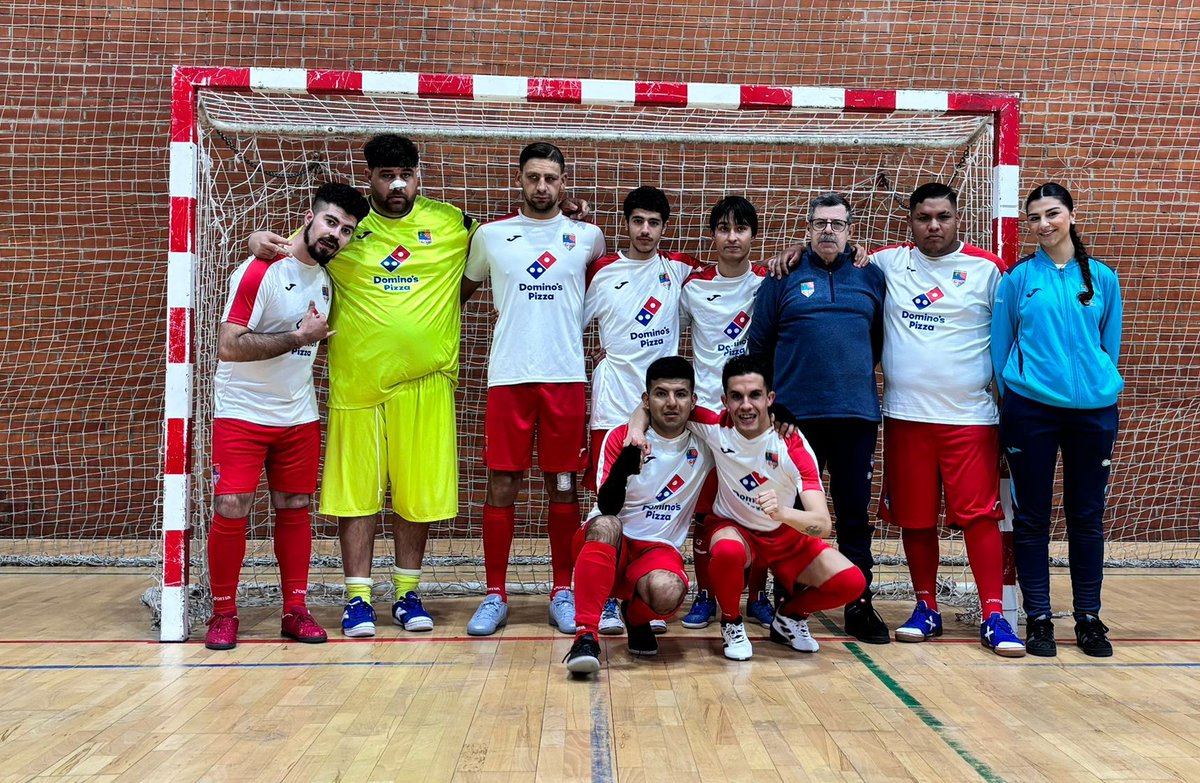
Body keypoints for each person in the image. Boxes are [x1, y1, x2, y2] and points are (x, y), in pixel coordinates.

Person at [249, 134, 479, 638]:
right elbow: (291, 253)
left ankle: (407, 593)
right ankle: (357, 598)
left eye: (407, 174)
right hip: (358, 387)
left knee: (415, 496)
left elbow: (494, 255)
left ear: (420, 175)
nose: (397, 184)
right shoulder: (344, 229)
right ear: (369, 176)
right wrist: (255, 243)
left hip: (426, 384)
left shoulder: (453, 223)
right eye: (385, 174)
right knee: (357, 496)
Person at [206, 182, 370, 650]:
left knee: (295, 506)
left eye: (346, 230)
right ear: (308, 216)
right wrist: (298, 338)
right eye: (330, 222)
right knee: (231, 506)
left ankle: (295, 610)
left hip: (298, 415)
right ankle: (223, 613)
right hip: (241, 412)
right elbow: (229, 346)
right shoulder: (260, 270)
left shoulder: (329, 277)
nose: (336, 235)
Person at [871, 182, 1025, 657]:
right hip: (905, 417)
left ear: (958, 218)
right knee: (915, 519)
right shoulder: (886, 263)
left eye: (942, 216)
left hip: (972, 419)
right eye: (923, 218)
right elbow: (836, 251)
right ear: (911, 222)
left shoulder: (988, 270)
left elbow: (1015, 336)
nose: (933, 226)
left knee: (981, 516)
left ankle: (994, 616)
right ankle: (926, 607)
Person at [629, 354, 867, 660]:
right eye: (737, 397)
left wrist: (783, 512)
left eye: (755, 395)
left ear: (770, 398)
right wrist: (636, 431)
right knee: (727, 550)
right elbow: (657, 406)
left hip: (782, 533)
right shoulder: (714, 425)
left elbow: (822, 524)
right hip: (734, 528)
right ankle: (731, 622)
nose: (746, 405)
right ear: (724, 400)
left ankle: (790, 616)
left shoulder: (792, 445)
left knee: (851, 583)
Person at [461, 142, 607, 636]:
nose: (541, 186)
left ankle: (562, 590)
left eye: (550, 178)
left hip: (566, 379)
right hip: (508, 378)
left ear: (564, 182)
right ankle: (495, 593)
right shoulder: (490, 236)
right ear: (519, 180)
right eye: (533, 177)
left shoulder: (588, 237)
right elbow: (457, 294)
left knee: (562, 486)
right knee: (502, 485)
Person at [747, 192, 889, 644]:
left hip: (855, 415)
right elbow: (759, 348)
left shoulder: (871, 277)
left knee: (852, 514)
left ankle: (859, 605)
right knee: (790, 513)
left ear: (850, 231)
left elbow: (879, 342)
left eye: (838, 224)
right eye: (820, 223)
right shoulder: (782, 276)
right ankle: (789, 604)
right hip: (794, 421)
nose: (829, 230)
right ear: (808, 228)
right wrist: (775, 405)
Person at [992, 183, 1123, 657]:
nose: (1044, 224)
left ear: (1070, 215)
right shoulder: (1018, 278)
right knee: (1032, 518)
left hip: (1095, 413)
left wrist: (1097, 387)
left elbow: (1110, 346)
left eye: (1052, 214)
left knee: (1086, 516)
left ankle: (1088, 617)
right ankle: (1040, 618)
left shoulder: (1103, 278)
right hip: (1031, 412)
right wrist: (1020, 399)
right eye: (1034, 218)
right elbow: (1000, 346)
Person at [583, 186, 701, 636]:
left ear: (664, 228)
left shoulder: (680, 272)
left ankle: (641, 592)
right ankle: (606, 600)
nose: (645, 230)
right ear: (626, 223)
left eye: (654, 223)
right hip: (612, 405)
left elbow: (730, 278)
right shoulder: (603, 271)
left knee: (655, 502)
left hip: (666, 410)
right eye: (638, 221)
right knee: (608, 505)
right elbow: (572, 323)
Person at [564, 356, 714, 674]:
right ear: (646, 400)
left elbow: (744, 426)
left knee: (669, 590)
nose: (671, 402)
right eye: (661, 393)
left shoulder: (707, 443)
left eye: (681, 394)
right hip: (610, 545)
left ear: (693, 400)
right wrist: (628, 458)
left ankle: (634, 616)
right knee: (606, 524)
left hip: (657, 550)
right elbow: (606, 505)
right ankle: (585, 635)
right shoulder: (620, 438)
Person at [677, 196, 773, 632]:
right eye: (723, 228)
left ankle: (757, 596)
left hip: (752, 417)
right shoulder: (693, 286)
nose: (732, 237)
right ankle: (704, 595)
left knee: (758, 504)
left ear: (754, 235)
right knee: (704, 509)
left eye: (741, 229)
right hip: (705, 420)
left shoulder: (770, 281)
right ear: (712, 234)